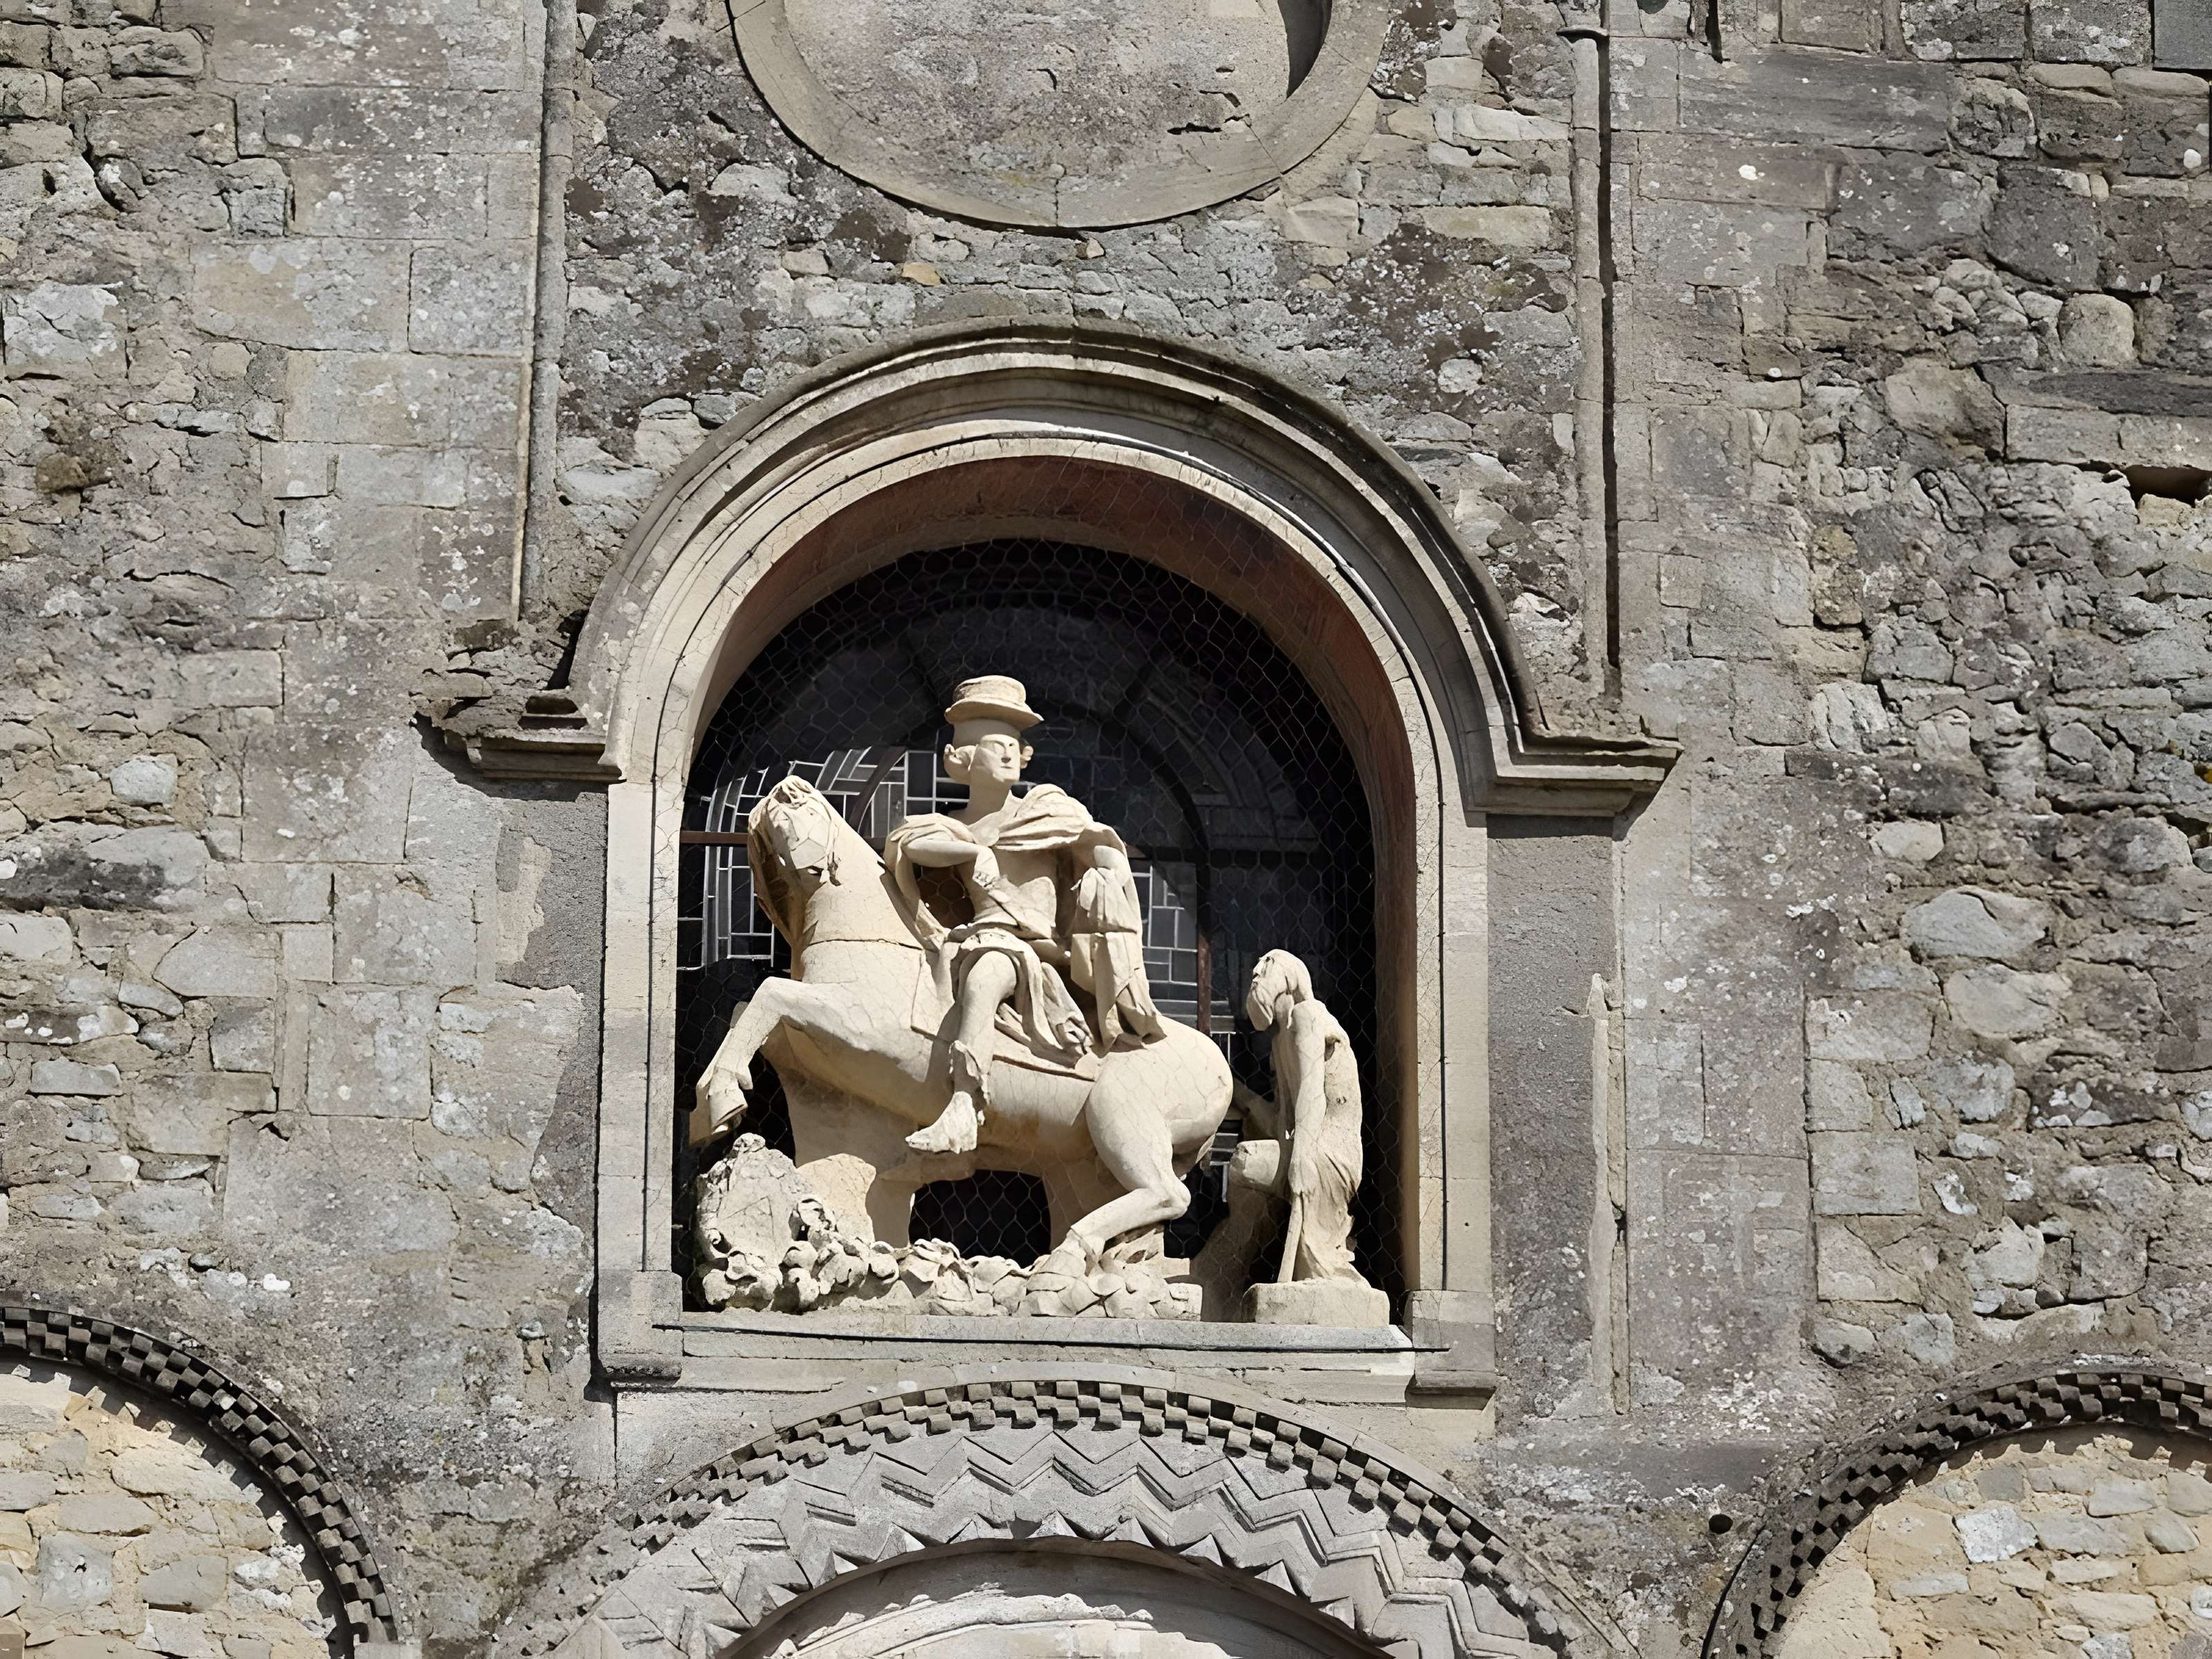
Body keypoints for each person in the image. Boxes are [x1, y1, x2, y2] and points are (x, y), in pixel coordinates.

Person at [885, 675, 1163, 1156]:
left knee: (988, 971)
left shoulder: (1046, 809)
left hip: (1035, 951)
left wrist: (1109, 868)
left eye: (1016, 746)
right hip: (978, 939)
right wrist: (972, 851)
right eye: (997, 746)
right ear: (965, 761)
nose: (1012, 755)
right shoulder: (952, 826)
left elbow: (1098, 845)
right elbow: (907, 843)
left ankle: (964, 1107)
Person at [1238, 948, 1368, 1286]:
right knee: (1245, 1164)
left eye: (1265, 968)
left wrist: (1302, 1158)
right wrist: (1237, 1094)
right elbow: (1283, 1120)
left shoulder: (1308, 1016)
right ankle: (1233, 1274)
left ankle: (1318, 1271)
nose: (1256, 973)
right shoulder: (1281, 1040)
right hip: (1306, 1143)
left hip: (1328, 1152)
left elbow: (1314, 1094)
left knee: (1245, 1163)